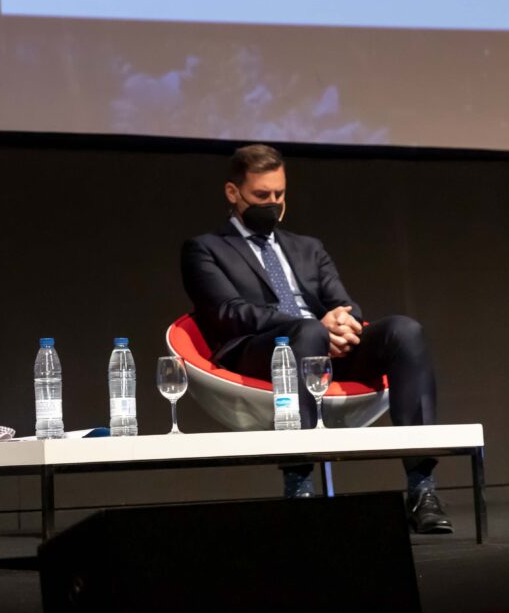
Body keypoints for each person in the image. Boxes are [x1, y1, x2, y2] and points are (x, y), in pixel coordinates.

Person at [180, 144, 452, 534]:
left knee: (404, 331)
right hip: (259, 351)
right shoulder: (205, 249)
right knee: (306, 331)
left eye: (279, 194)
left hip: (322, 345)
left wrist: (343, 323)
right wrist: (313, 328)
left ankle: (422, 490)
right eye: (261, 195)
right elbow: (228, 312)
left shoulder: (307, 247)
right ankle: (300, 489)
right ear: (233, 192)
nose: (273, 203)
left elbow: (343, 302)